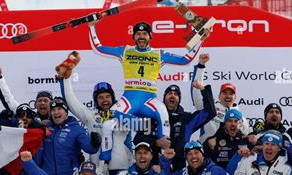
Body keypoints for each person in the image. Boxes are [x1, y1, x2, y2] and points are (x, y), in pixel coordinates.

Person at [89, 20, 210, 160]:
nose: (141, 37)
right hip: (129, 99)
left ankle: (166, 157)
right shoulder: (125, 50)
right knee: (107, 122)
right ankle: (105, 163)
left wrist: (200, 40)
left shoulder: (158, 54)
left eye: (145, 34)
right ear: (134, 37)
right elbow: (98, 48)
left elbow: (185, 59)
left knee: (163, 112)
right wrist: (92, 27)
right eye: (138, 34)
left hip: (149, 99)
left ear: (150, 36)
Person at [134, 53, 217, 171]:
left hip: (178, 169)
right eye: (169, 93)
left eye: (176, 94)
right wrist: (156, 142)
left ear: (179, 100)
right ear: (164, 98)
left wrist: (203, 89)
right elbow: (137, 139)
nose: (172, 96)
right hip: (154, 167)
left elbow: (210, 112)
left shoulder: (186, 118)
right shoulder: (152, 117)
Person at [58, 52, 133, 175]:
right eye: (100, 97)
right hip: (99, 174)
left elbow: (131, 138)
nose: (105, 100)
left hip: (122, 171)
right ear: (95, 100)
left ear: (113, 97)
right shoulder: (91, 116)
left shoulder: (123, 114)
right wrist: (65, 79)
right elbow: (71, 101)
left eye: (108, 96)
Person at [160, 141, 247, 175]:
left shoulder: (216, 171)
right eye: (189, 154)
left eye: (196, 153)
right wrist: (165, 160)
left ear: (203, 156)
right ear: (186, 158)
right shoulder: (183, 174)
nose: (193, 156)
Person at [105, 142, 172, 175]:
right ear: (135, 156)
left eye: (145, 153)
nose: (142, 156)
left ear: (151, 156)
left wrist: (160, 174)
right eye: (139, 153)